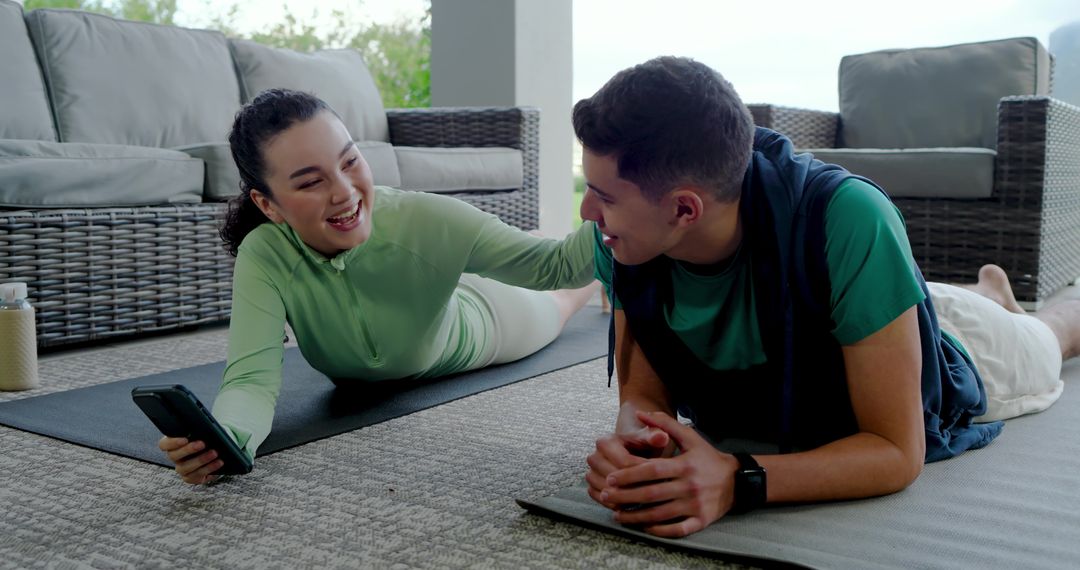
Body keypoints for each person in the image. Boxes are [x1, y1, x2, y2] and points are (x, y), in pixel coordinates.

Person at [577, 56, 1080, 538]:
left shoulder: (849, 217)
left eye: (605, 196)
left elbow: (895, 452)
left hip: (960, 351)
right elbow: (645, 395)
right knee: (892, 292)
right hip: (867, 306)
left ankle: (1004, 305)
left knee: (1051, 337)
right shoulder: (628, 242)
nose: (586, 211)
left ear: (685, 208)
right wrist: (639, 441)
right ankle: (981, 289)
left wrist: (738, 479)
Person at [158, 89, 599, 484]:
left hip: (482, 320)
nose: (344, 192)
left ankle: (588, 275)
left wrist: (619, 202)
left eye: (350, 161)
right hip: (423, 290)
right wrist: (227, 438)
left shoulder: (426, 219)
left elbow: (558, 267)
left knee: (561, 300)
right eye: (312, 182)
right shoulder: (265, 255)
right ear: (267, 204)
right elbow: (251, 379)